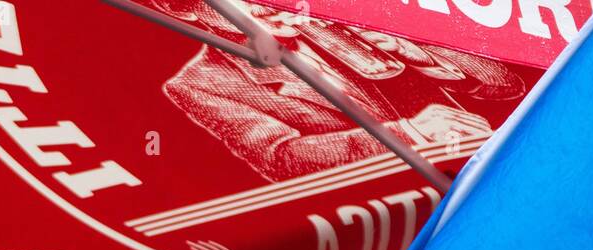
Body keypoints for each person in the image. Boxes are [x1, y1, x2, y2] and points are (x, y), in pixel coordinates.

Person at [152, 1, 524, 182]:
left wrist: (424, 59)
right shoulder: (202, 84)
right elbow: (283, 159)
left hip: (505, 157)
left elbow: (506, 83)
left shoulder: (337, 16)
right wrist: (410, 133)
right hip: (411, 205)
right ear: (187, 11)